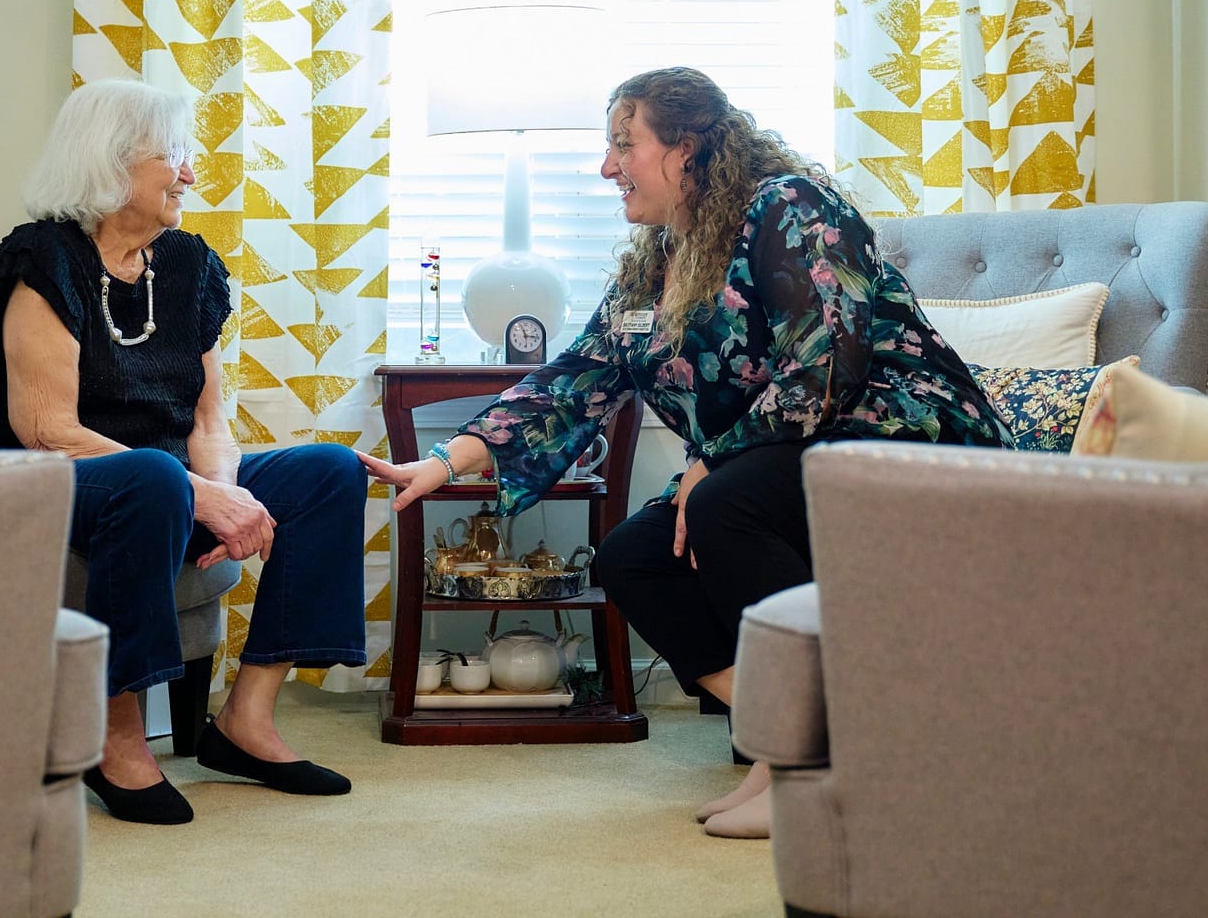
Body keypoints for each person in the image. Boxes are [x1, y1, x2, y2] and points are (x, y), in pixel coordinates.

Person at [358, 67, 1009, 839]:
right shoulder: (653, 263)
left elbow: (827, 365)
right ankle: (806, 736)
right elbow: (576, 377)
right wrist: (445, 461)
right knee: (631, 554)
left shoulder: (789, 205)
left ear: (688, 148)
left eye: (623, 144)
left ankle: (803, 765)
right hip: (778, 459)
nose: (606, 167)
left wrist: (713, 462)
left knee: (722, 501)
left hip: (906, 443)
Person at [0, 78, 367, 825]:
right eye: (174, 156)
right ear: (109, 162)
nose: (191, 175)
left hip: (159, 479)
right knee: (151, 477)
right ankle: (114, 738)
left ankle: (246, 721)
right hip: (35, 482)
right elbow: (48, 429)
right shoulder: (43, 258)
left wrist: (226, 494)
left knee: (328, 472)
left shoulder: (187, 267)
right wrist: (196, 493)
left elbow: (209, 421)